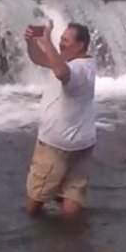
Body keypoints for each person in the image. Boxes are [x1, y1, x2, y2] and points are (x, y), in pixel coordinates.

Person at [23, 20, 97, 219]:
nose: (61, 43)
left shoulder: (77, 71)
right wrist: (31, 42)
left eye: (65, 40)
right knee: (72, 194)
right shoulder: (85, 62)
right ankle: (71, 239)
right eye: (61, 39)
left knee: (35, 199)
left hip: (57, 144)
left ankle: (35, 238)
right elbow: (42, 59)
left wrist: (46, 40)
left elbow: (60, 72)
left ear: (80, 45)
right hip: (83, 142)